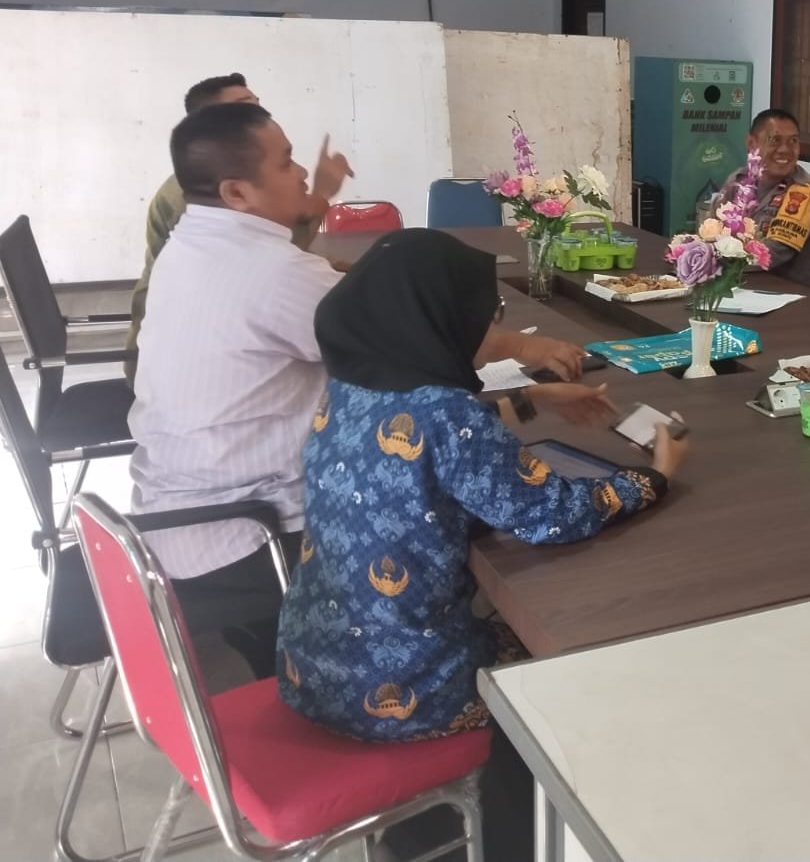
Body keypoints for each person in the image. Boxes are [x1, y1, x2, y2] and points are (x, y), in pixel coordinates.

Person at [131, 106, 591, 677]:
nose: (301, 172)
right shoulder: (270, 271)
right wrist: (525, 348)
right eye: (285, 163)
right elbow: (412, 340)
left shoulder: (190, 246)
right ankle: (469, 659)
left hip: (170, 517)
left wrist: (525, 400)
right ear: (237, 192)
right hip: (253, 530)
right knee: (482, 504)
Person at [277, 229, 684, 742]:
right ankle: (518, 780)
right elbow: (552, 514)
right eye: (488, 315)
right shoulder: (448, 415)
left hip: (313, 666)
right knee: (584, 658)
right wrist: (655, 476)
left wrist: (534, 398)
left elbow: (427, 442)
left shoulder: (349, 388)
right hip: (407, 688)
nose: (492, 329)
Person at [125, 72, 344, 380]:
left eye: (257, 104)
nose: (301, 172)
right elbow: (278, 269)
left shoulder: (194, 233)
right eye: (243, 107)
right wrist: (320, 196)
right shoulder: (274, 269)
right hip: (162, 365)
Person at [700, 108, 810, 290]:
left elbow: (774, 253)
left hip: (797, 298)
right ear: (751, 143)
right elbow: (710, 228)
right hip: (742, 289)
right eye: (774, 140)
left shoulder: (803, 190)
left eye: (793, 141)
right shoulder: (738, 180)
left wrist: (709, 260)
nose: (785, 150)